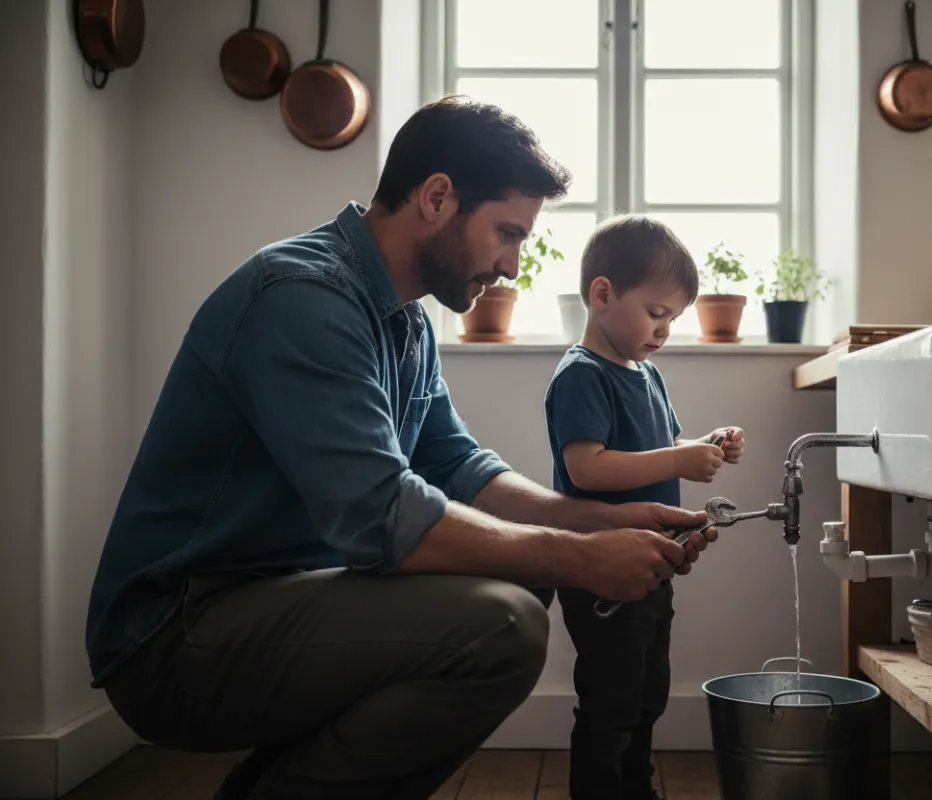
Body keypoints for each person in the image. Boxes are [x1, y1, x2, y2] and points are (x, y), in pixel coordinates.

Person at [83, 97, 720, 800]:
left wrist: (604, 520)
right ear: (437, 197)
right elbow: (381, 514)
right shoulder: (302, 296)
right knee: (503, 624)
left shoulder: (406, 324)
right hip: (176, 636)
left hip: (274, 602)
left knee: (517, 579)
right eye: (506, 233)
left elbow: (458, 467)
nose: (512, 265)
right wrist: (578, 557)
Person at [542, 215, 746, 800]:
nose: (664, 331)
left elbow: (663, 447)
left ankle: (636, 788)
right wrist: (677, 464)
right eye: (656, 313)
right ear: (602, 294)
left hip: (654, 562)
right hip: (602, 566)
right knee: (610, 700)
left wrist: (704, 445)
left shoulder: (647, 374)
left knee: (648, 691)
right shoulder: (581, 376)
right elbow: (589, 467)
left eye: (673, 320)